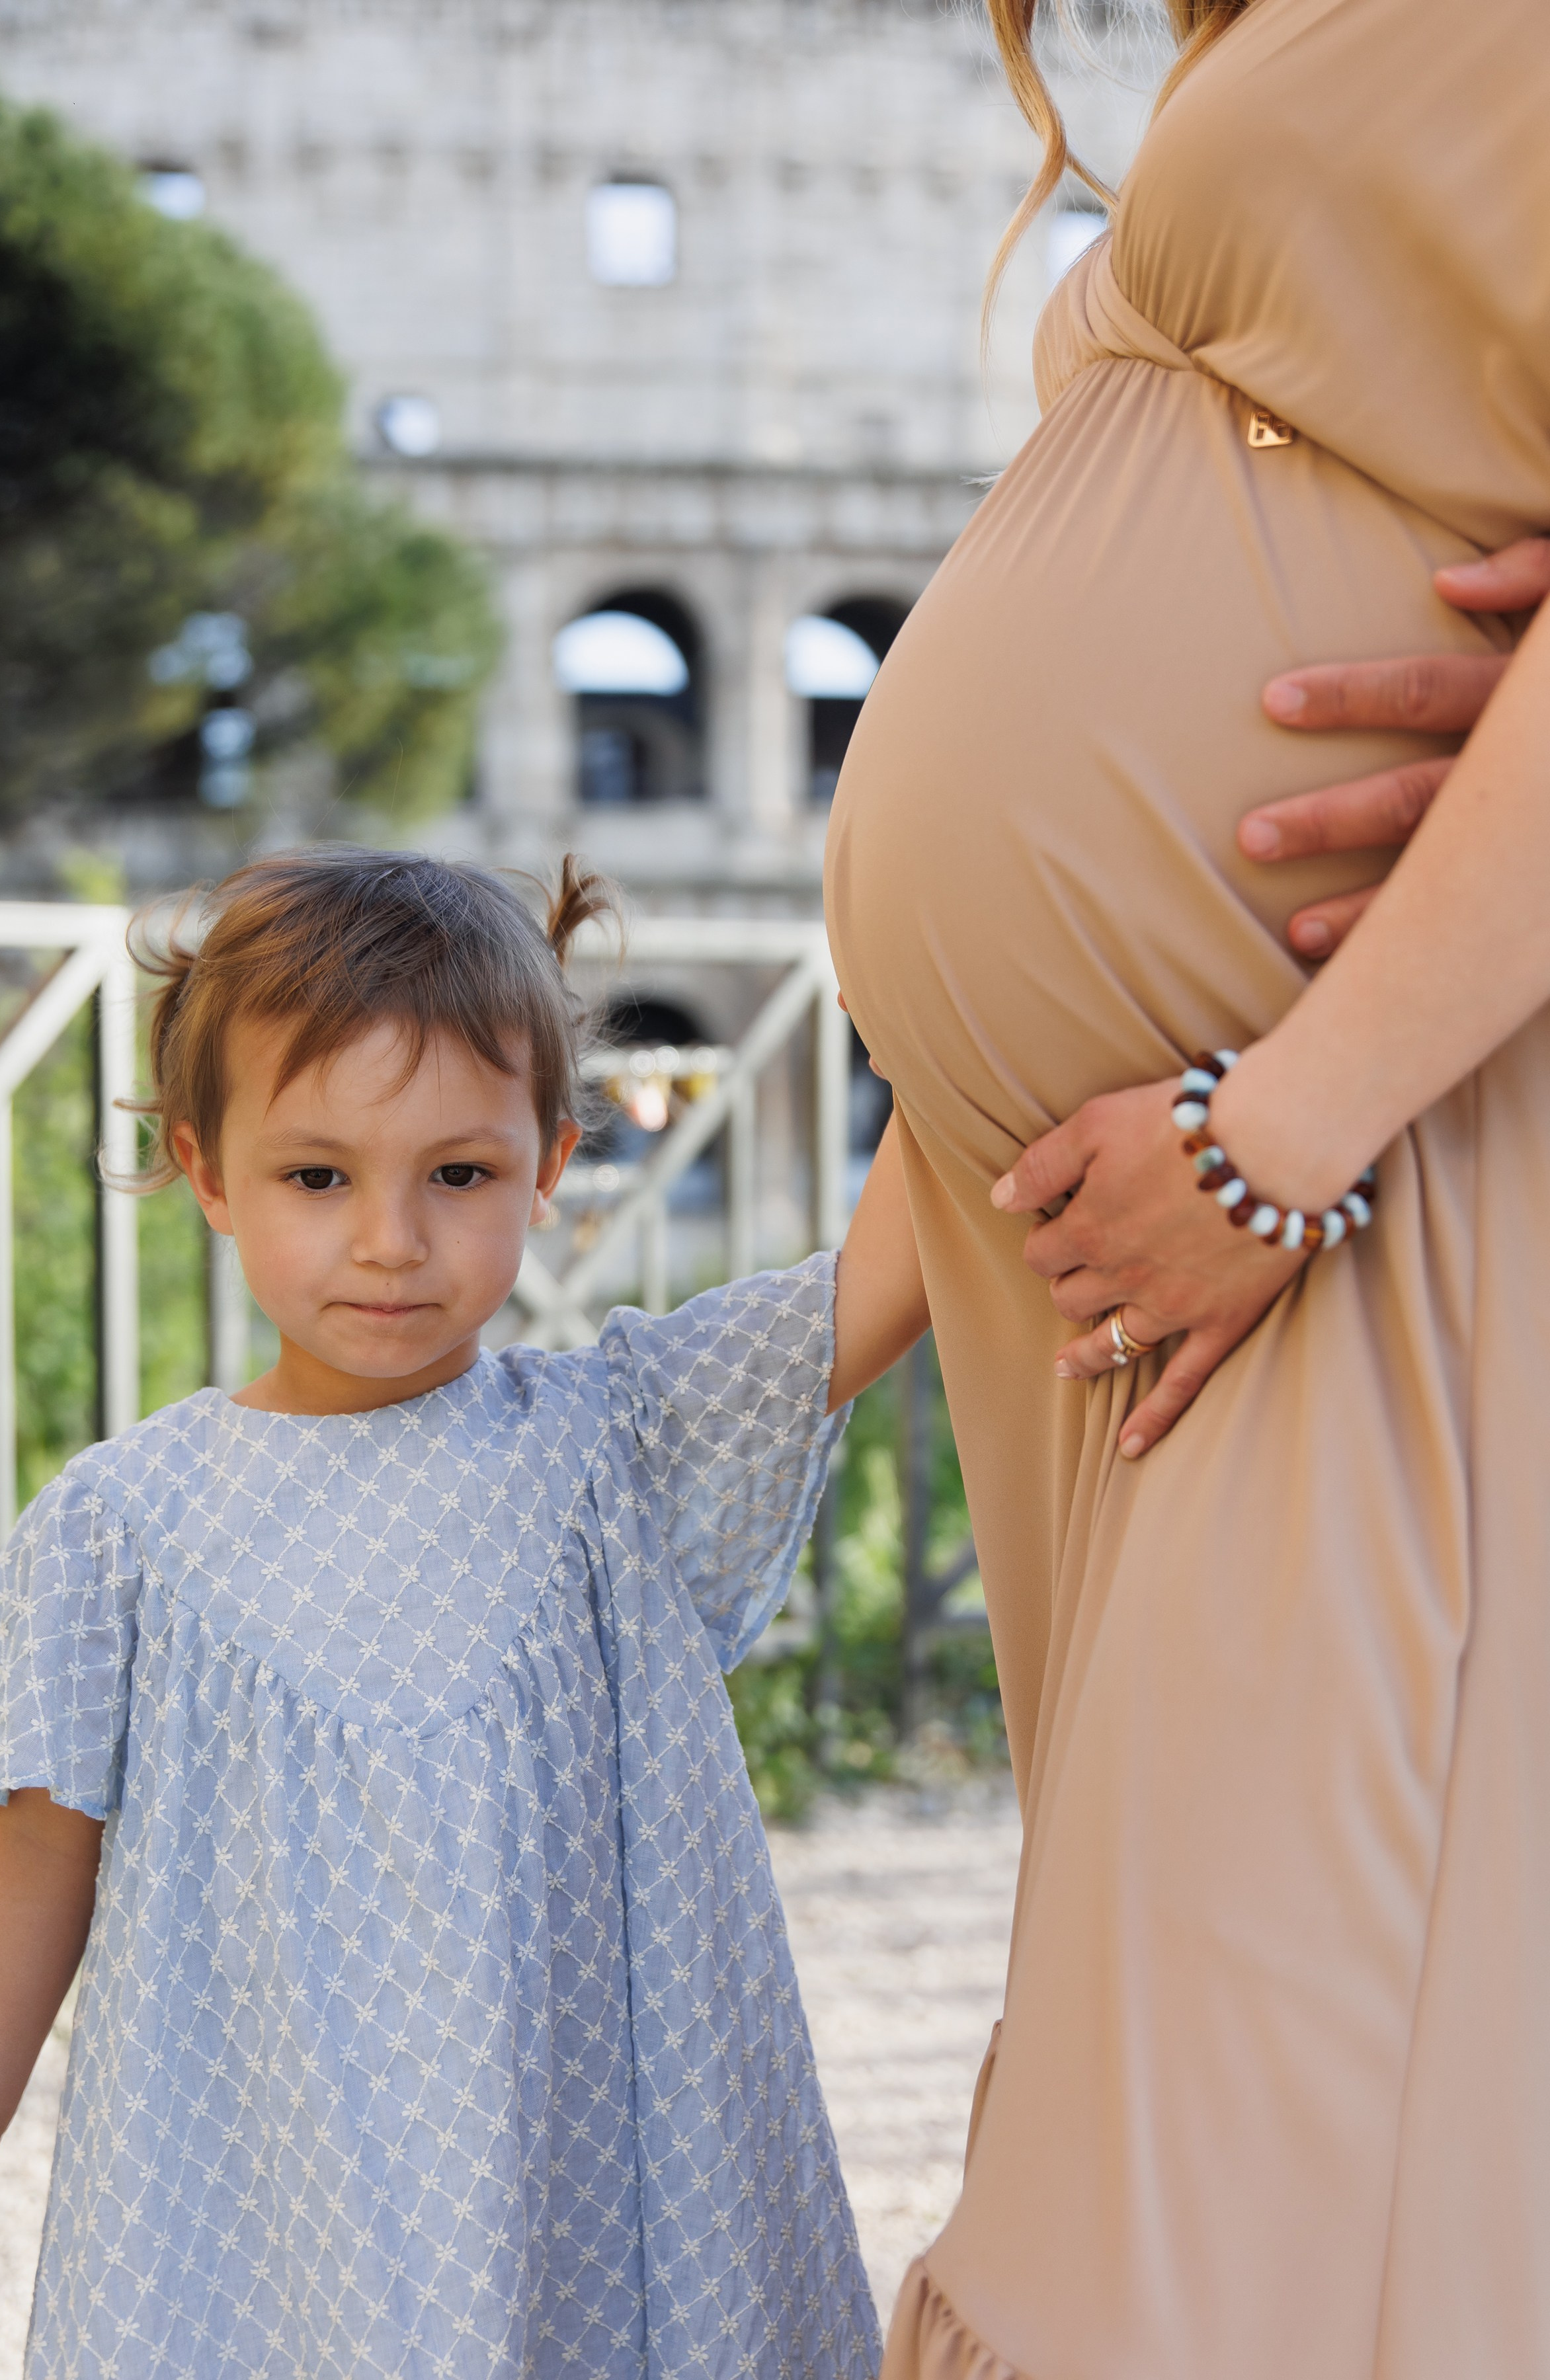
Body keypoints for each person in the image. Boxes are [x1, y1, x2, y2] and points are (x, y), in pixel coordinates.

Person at [825, 0, 1550, 2372]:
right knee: (1229, 2081)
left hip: (1353, 1176)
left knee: (1247, 2138)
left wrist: (1287, 1130)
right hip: (1143, 1234)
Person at [0, 849, 930, 2380]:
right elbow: (29, 1847)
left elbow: (890, 1271)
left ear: (552, 1161)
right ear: (207, 1172)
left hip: (588, 2223)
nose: (392, 1241)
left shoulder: (624, 1441)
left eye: (459, 1175)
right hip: (254, 2231)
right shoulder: (121, 1528)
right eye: (318, 1175)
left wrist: (971, 959)